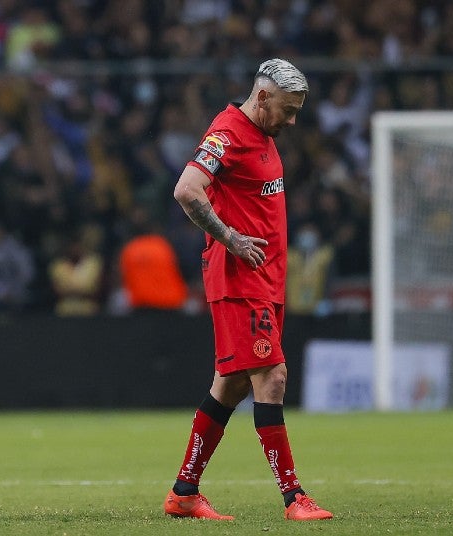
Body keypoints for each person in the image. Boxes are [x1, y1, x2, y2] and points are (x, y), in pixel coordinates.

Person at [165, 59, 333, 521]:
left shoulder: (263, 135)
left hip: (266, 279)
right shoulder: (227, 132)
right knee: (272, 377)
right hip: (241, 281)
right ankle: (294, 497)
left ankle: (184, 492)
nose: (293, 120)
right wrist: (230, 238)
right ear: (262, 98)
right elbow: (186, 189)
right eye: (288, 109)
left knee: (231, 384)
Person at [118, 206, 188, 312]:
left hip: (143, 306)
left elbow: (124, 278)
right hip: (171, 303)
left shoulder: (129, 250)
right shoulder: (163, 245)